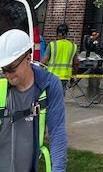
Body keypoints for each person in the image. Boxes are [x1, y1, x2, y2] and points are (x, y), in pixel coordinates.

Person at [0, 29, 67, 172]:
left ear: (28, 58)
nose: (7, 75)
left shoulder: (49, 85)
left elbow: (57, 133)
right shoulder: (1, 84)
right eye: (3, 69)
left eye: (11, 68)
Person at [41, 23, 79, 94]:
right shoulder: (73, 46)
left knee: (50, 97)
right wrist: (73, 75)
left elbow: (44, 61)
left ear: (57, 33)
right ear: (66, 34)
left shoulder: (52, 45)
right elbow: (76, 63)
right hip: (65, 77)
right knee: (59, 97)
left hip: (52, 77)